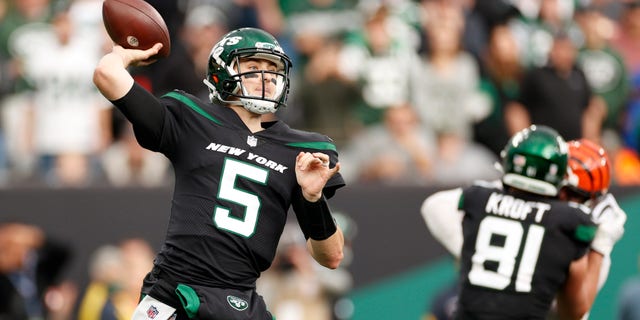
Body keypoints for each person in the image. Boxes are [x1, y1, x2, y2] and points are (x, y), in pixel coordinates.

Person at [92, 27, 345, 320]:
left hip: (240, 300)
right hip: (176, 290)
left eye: (273, 68)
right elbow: (106, 75)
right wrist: (123, 54)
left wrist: (313, 199)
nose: (266, 76)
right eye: (253, 67)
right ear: (222, 74)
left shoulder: (300, 150)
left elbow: (331, 256)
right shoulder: (192, 119)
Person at [420, 124, 626, 319]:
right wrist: (602, 244)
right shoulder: (571, 223)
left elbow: (435, 206)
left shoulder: (480, 198)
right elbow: (574, 314)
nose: (562, 199)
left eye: (571, 194)